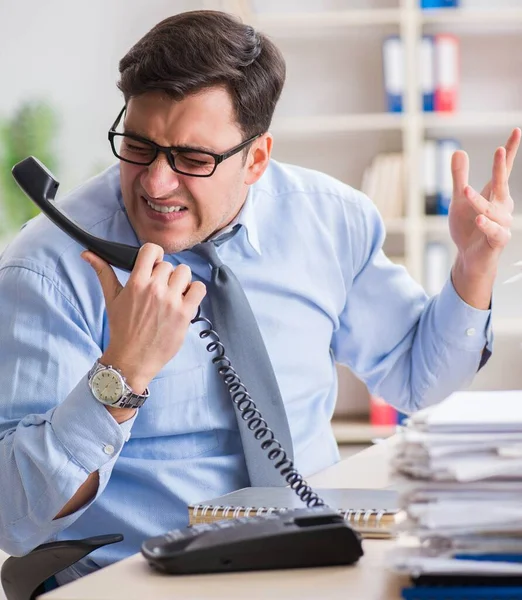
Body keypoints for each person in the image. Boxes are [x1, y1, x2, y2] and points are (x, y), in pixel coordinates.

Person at [0, 9, 519, 585]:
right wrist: (123, 372)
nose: (155, 183)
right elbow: (17, 521)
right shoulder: (47, 268)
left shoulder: (330, 220)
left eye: (193, 160)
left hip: (312, 558)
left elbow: (421, 381)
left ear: (257, 159)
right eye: (139, 146)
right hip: (133, 577)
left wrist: (474, 268)